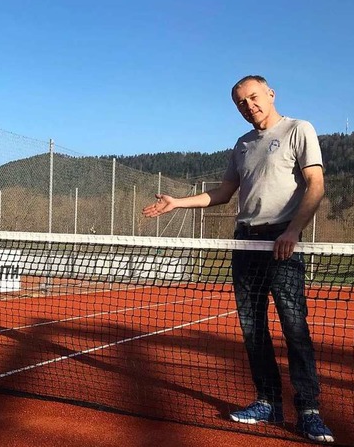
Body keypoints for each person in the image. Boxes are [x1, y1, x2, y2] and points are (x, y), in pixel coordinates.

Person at [142, 75, 333, 443]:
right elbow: (224, 193)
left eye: (254, 97)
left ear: (270, 93)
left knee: (295, 328)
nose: (250, 105)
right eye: (241, 102)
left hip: (282, 240)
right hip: (245, 242)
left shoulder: (298, 130)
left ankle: (308, 411)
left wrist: (292, 231)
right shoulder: (242, 144)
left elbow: (316, 184)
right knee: (252, 328)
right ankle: (268, 402)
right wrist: (177, 202)